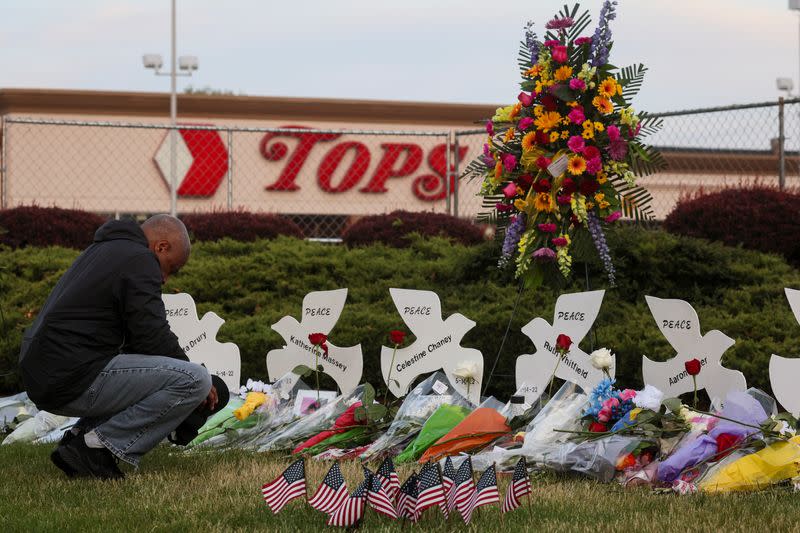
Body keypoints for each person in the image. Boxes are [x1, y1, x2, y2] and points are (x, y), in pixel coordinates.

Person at [18, 214, 220, 480]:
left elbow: (139, 341)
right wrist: (195, 376)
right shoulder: (140, 258)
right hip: (69, 375)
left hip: (47, 374)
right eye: (171, 268)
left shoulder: (104, 250)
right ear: (161, 247)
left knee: (174, 373)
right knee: (196, 379)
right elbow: (151, 334)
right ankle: (95, 448)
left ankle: (78, 439)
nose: (166, 279)